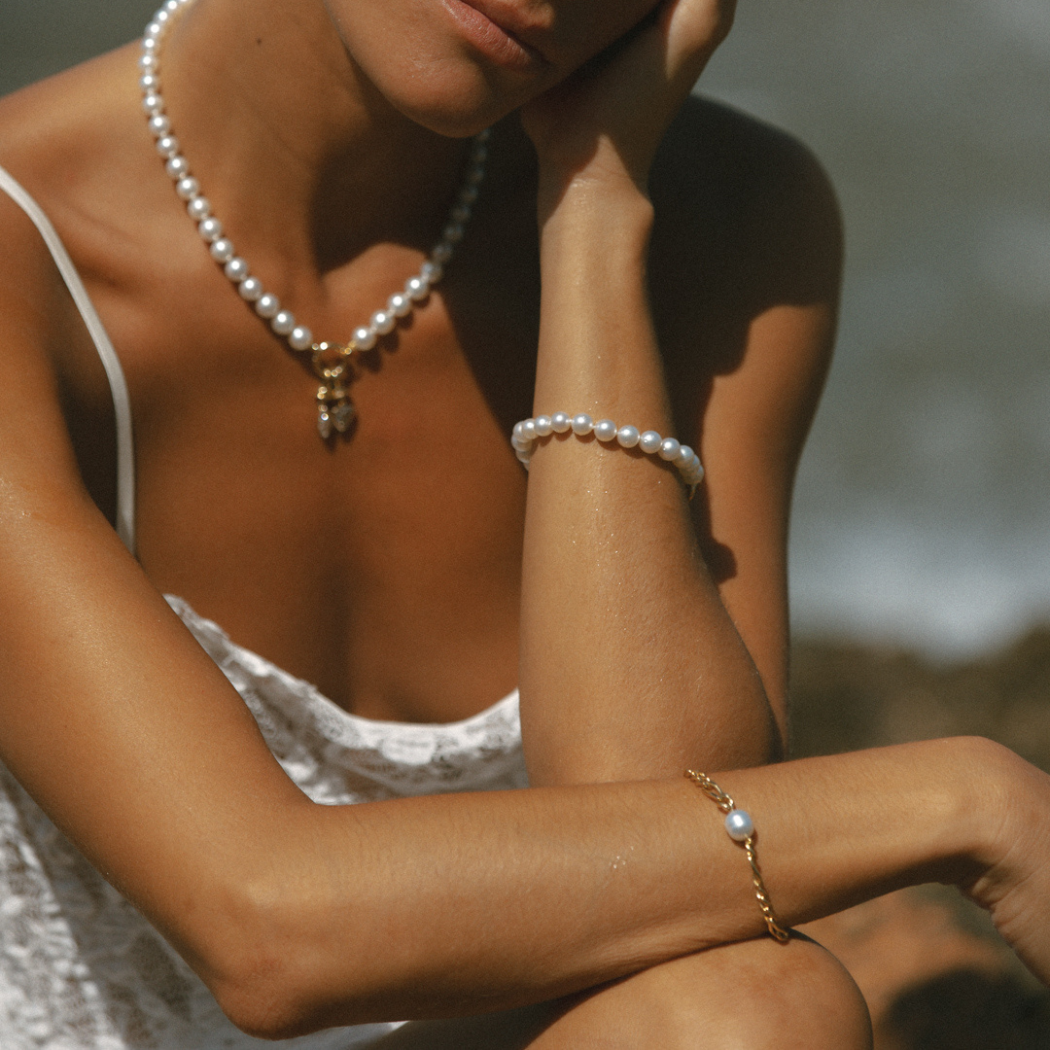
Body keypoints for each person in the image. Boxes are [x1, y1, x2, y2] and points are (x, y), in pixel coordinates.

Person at [0, 0, 1047, 1047]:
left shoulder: (727, 219)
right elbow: (266, 928)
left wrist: (593, 213)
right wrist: (965, 801)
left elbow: (672, 849)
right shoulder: (23, 246)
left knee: (747, 1014)